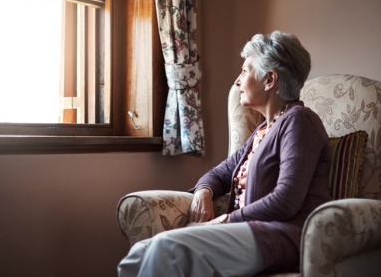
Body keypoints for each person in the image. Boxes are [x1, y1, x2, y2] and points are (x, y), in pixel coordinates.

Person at [118, 31, 331, 276]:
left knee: (167, 248)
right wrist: (204, 191)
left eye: (244, 71)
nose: (238, 81)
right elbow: (221, 172)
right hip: (251, 231)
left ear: (270, 79)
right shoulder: (263, 129)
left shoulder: (300, 121)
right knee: (138, 254)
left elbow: (286, 199)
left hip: (283, 236)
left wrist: (226, 219)